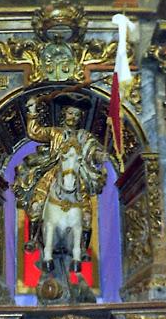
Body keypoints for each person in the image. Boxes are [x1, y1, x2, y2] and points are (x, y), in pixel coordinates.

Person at [13, 93, 107, 271]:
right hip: (54, 170)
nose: (73, 118)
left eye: (77, 115)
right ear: (64, 114)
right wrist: (32, 111)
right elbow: (35, 132)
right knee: (37, 202)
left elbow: (93, 150)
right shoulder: (55, 132)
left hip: (77, 173)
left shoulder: (84, 136)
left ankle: (83, 248)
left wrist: (99, 155)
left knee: (86, 211)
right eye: (70, 113)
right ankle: (33, 238)